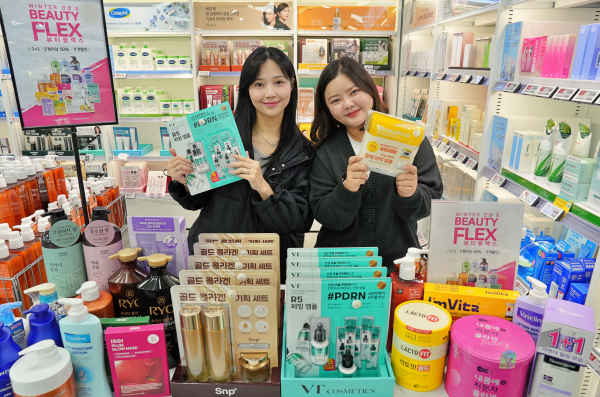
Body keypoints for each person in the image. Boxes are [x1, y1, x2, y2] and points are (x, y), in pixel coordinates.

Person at [167, 47, 314, 283]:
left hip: (269, 266)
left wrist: (263, 187)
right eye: (259, 84)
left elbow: (299, 220)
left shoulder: (305, 152)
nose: (270, 93)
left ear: (292, 85)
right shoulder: (220, 135)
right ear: (246, 89)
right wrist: (185, 182)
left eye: (279, 82)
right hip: (216, 258)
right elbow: (197, 202)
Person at [309, 57, 443, 273]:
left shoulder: (409, 138)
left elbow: (431, 200)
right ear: (326, 108)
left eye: (354, 92)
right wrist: (346, 190)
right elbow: (324, 215)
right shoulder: (326, 151)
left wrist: (411, 194)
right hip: (339, 270)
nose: (348, 104)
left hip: (397, 268)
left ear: (370, 88)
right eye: (335, 100)